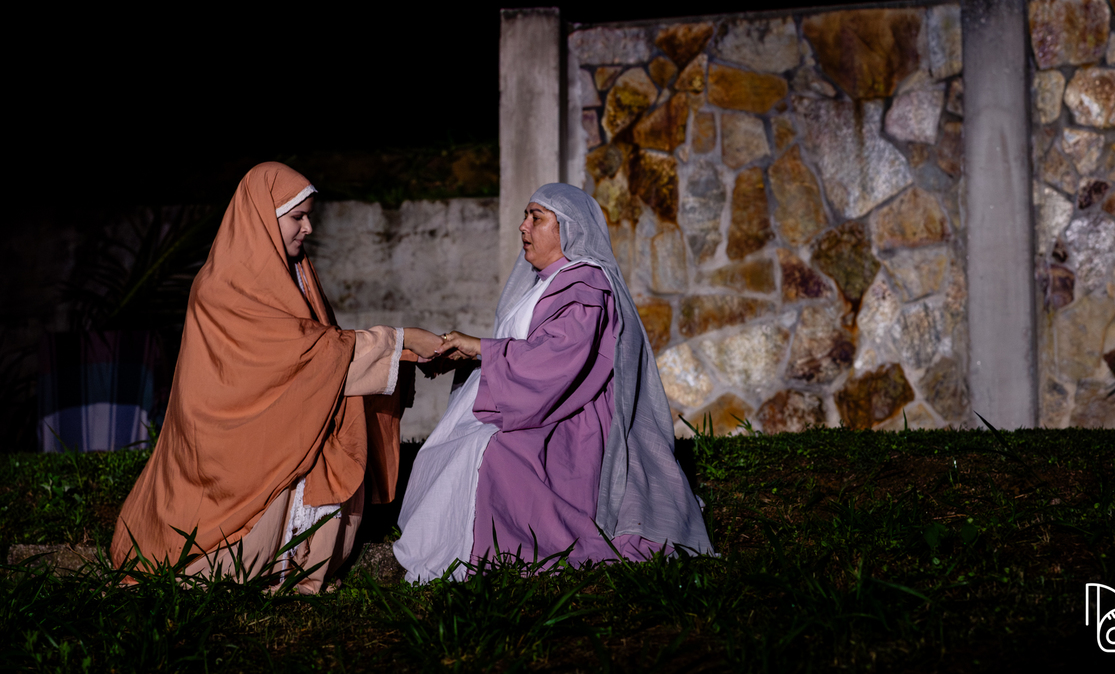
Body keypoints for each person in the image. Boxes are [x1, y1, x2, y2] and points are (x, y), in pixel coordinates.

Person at [110, 162, 442, 593]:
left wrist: (401, 353)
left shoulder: (298, 275)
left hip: (274, 419)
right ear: (263, 218)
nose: (307, 228)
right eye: (297, 217)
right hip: (226, 440)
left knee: (337, 395)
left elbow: (324, 351)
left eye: (309, 217)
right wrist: (401, 340)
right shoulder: (221, 288)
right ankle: (260, 559)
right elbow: (299, 357)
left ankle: (300, 560)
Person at [393, 183, 712, 581]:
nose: (523, 227)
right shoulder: (545, 282)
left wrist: (480, 349)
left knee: (489, 451)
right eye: (526, 216)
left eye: (536, 218)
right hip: (542, 402)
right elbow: (525, 348)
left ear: (569, 229)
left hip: (574, 416)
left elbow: (558, 359)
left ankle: (487, 548)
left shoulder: (586, 285)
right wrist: (468, 357)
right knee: (453, 445)